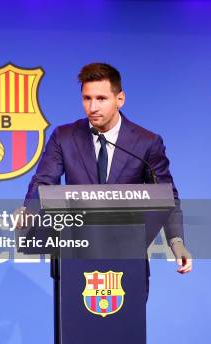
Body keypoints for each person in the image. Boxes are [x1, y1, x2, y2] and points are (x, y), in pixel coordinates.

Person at [21, 62, 192, 274]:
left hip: (128, 260)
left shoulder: (147, 142)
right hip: (74, 256)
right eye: (87, 98)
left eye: (101, 99)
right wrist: (29, 209)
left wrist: (176, 241)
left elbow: (167, 195)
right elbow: (44, 181)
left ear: (120, 99)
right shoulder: (64, 137)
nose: (92, 108)